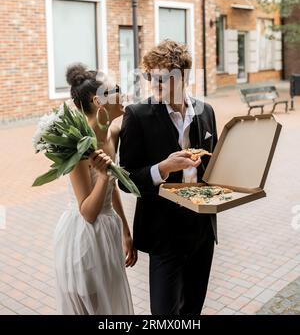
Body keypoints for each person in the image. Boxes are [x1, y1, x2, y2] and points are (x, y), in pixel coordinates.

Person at [119, 40, 218, 316]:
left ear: (184, 77)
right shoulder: (137, 115)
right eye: (151, 77)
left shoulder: (206, 111)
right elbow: (124, 179)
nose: (154, 83)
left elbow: (216, 168)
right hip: (164, 232)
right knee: (163, 314)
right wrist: (162, 168)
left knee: (192, 310)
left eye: (163, 78)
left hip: (202, 230)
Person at [54, 63, 136, 315]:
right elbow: (87, 212)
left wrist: (125, 230)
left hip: (108, 231)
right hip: (85, 239)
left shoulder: (112, 132)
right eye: (117, 89)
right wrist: (101, 178)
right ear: (98, 100)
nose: (123, 94)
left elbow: (112, 187)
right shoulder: (77, 143)